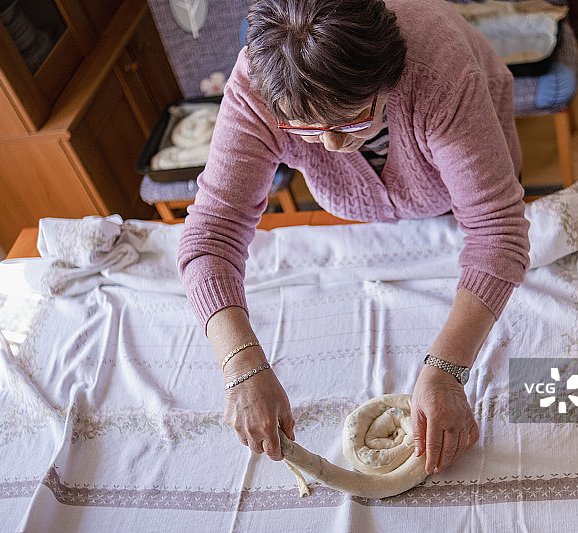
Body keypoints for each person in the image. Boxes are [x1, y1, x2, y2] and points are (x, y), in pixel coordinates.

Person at [177, 0, 530, 476]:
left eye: (352, 120)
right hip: (380, 226)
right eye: (306, 128)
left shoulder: (439, 74)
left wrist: (447, 370)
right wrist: (241, 366)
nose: (332, 145)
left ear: (387, 81)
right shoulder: (259, 84)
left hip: (460, 172)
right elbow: (211, 235)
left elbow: (496, 230)